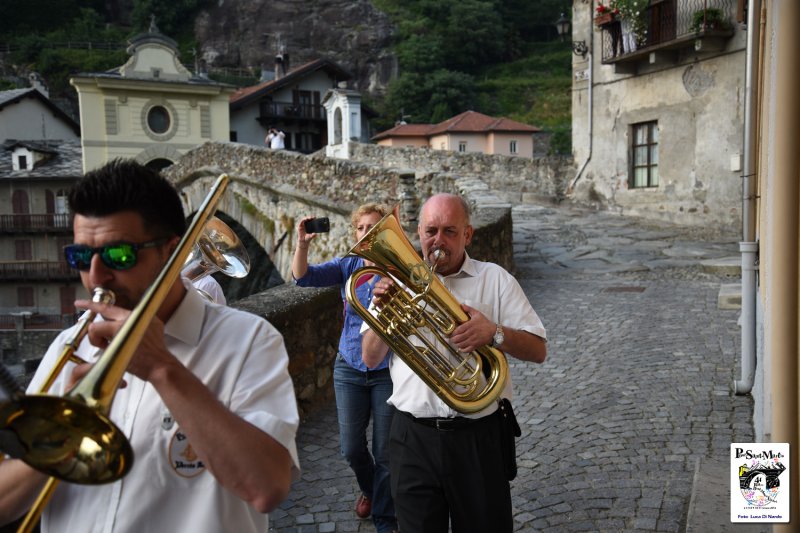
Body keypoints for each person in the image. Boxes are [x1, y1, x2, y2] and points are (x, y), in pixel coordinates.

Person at [0, 159, 300, 532]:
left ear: (171, 252)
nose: (95, 275)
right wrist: (60, 439)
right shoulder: (68, 346)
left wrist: (162, 369)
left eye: (119, 255)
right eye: (80, 256)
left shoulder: (249, 340)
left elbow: (267, 486)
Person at [362, 193, 547, 533]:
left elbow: (538, 350)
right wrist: (382, 314)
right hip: (412, 437)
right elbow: (369, 357)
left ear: (468, 235)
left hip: (478, 438)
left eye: (450, 231)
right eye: (431, 230)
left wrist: (494, 333)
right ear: (418, 232)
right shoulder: (394, 283)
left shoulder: (495, 279)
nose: (438, 241)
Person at [292, 204, 399, 533]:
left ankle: (385, 518)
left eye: (372, 227)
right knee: (351, 448)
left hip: (385, 370)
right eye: (360, 228)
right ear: (354, 232)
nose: (365, 232)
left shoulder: (397, 269)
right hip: (349, 366)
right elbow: (302, 278)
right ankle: (370, 489)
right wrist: (303, 243)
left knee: (384, 452)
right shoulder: (348, 266)